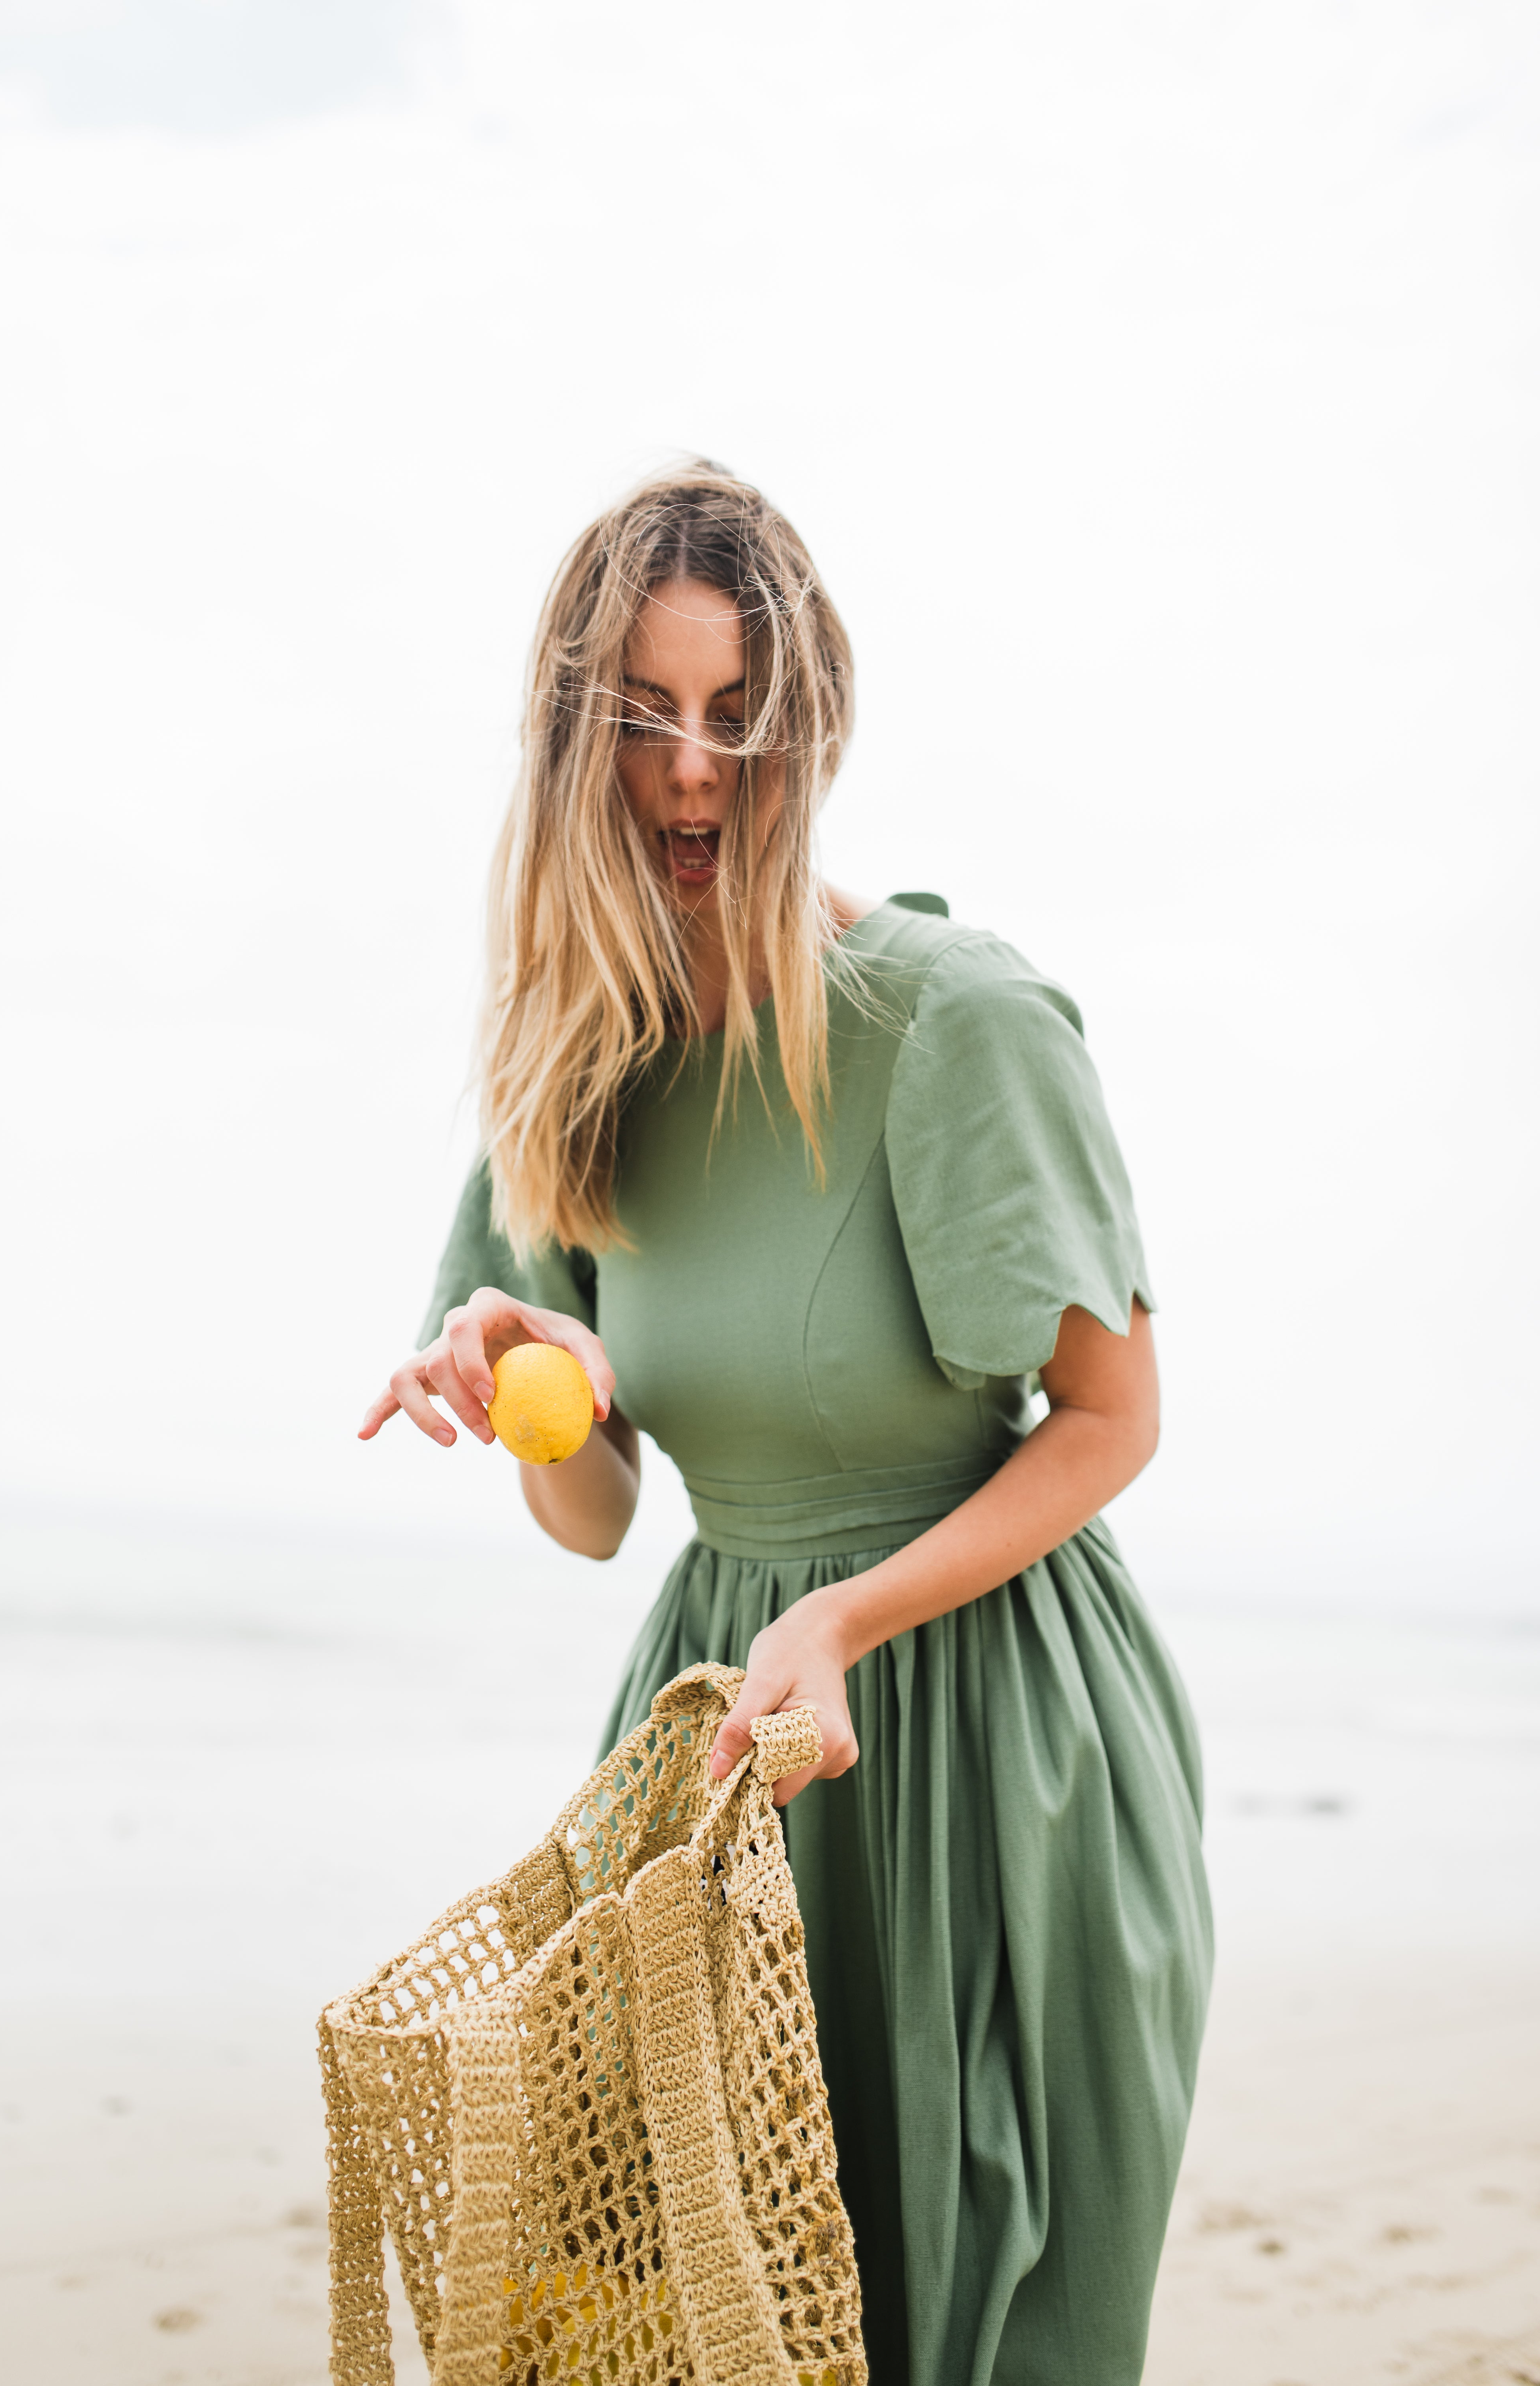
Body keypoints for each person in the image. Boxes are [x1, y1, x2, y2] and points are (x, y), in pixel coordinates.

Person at [360, 463, 1212, 2386]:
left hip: (987, 1733)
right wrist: (524, 1385)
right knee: (682, 2324)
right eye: (640, 718)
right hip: (711, 1749)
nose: (687, 774)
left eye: (736, 717)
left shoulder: (950, 1023)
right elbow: (592, 1518)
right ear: (569, 739)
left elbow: (1106, 1420)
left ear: (803, 729)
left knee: (972, 2309)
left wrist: (834, 1621)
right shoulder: (564, 1063)